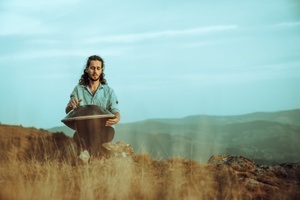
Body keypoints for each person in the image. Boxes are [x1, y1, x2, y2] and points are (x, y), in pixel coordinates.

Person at [65, 55, 120, 158]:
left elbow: (115, 110)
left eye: (98, 68)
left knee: (82, 137)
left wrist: (117, 117)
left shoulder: (109, 91)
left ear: (101, 70)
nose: (95, 71)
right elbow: (67, 110)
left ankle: (85, 156)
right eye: (92, 68)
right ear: (87, 69)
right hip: (84, 129)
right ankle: (105, 154)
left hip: (106, 129)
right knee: (77, 136)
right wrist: (71, 106)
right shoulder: (78, 90)